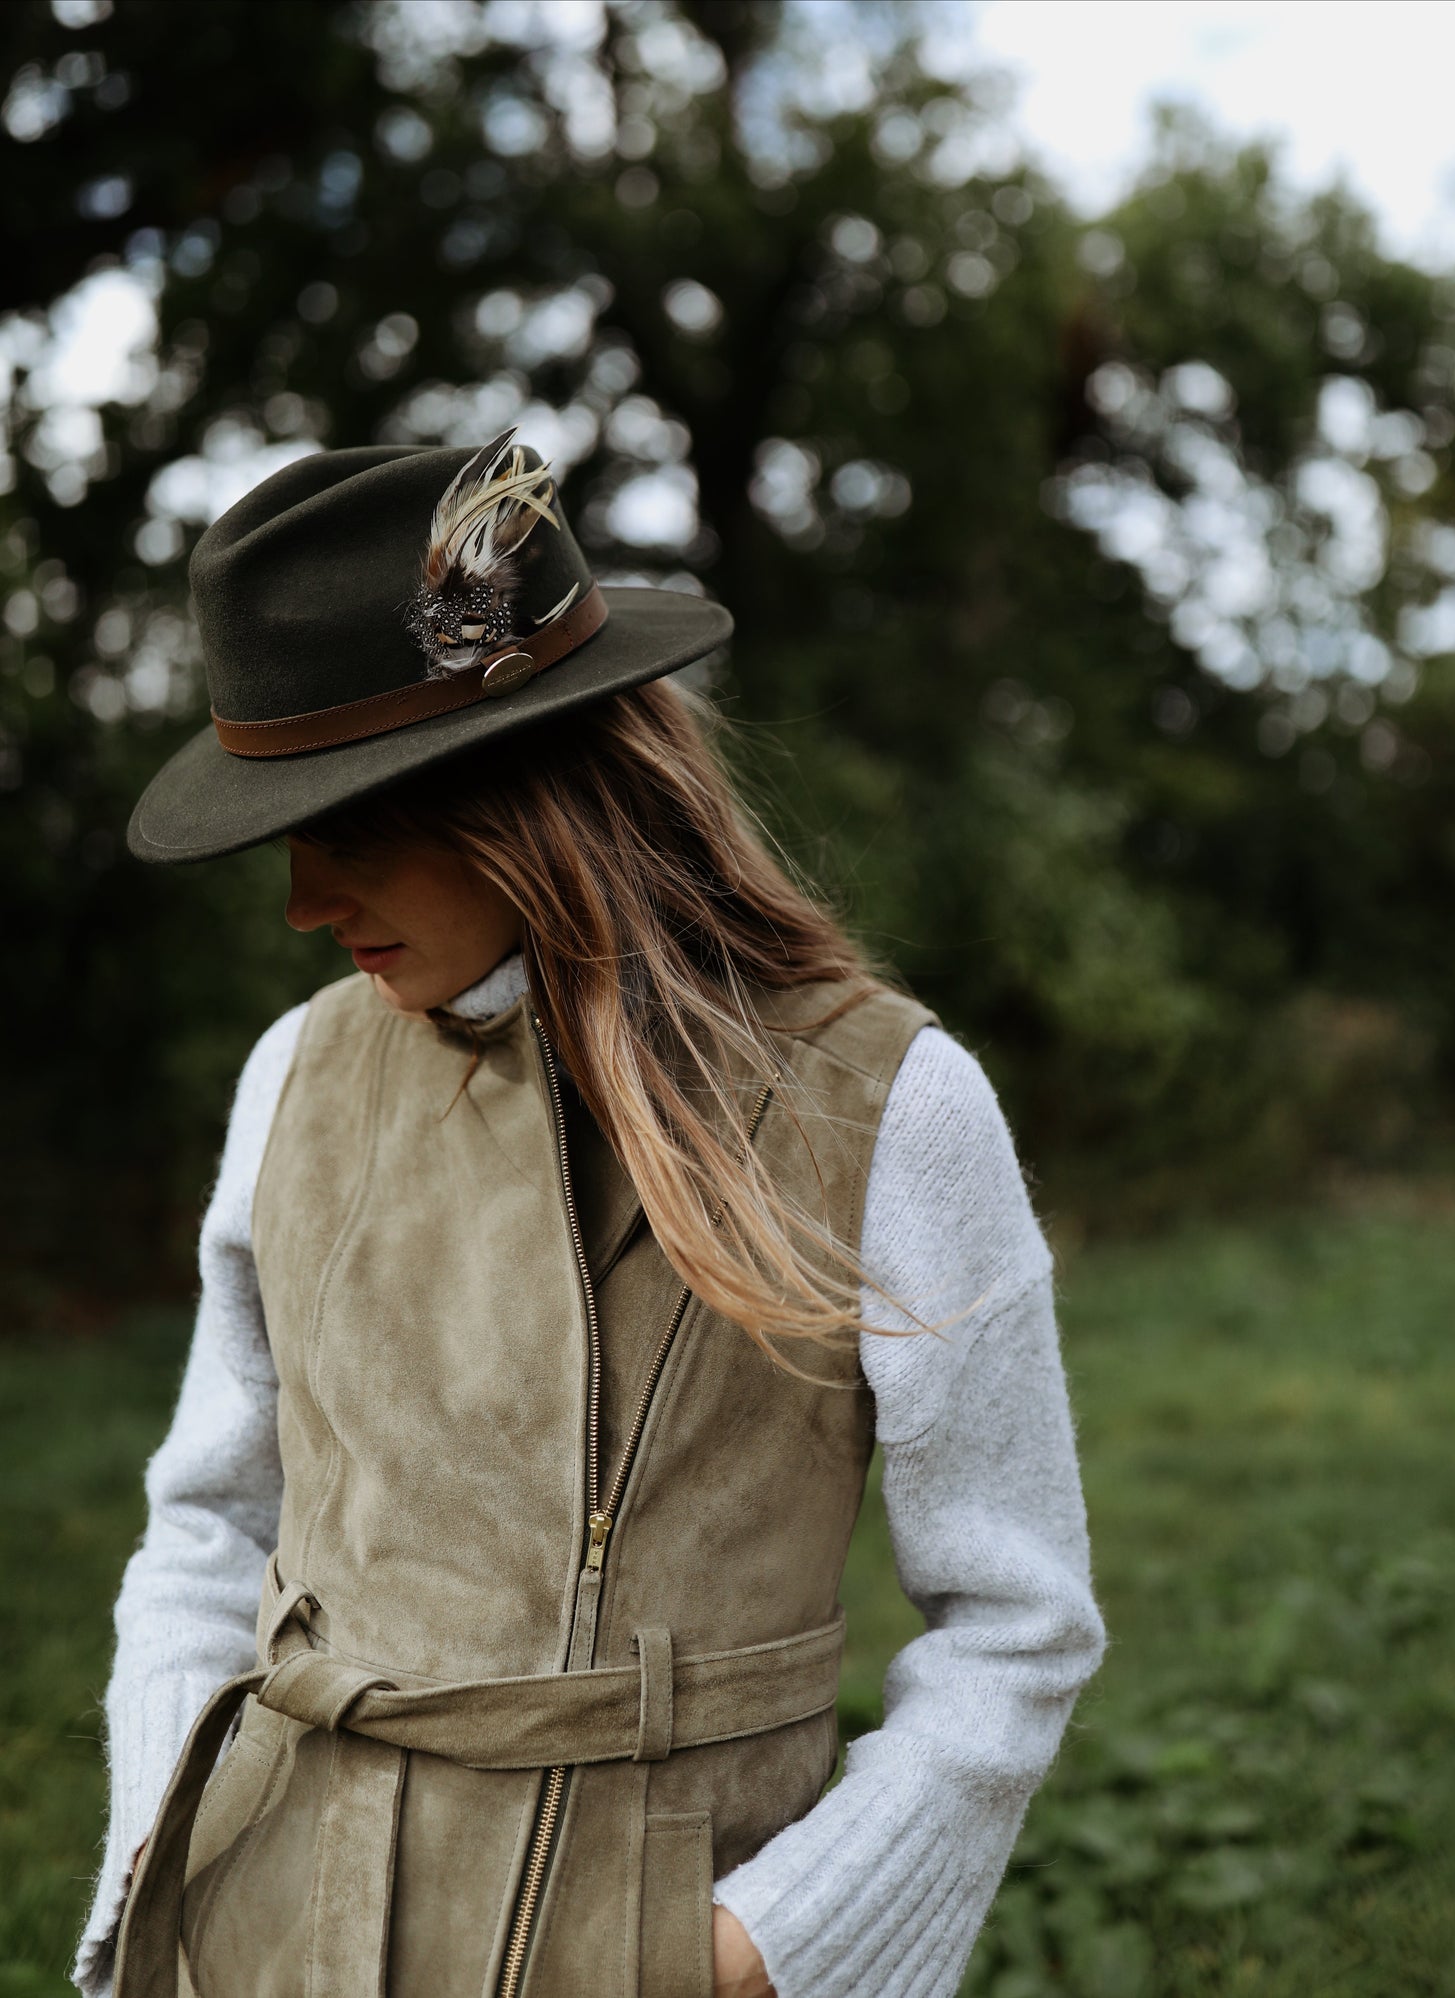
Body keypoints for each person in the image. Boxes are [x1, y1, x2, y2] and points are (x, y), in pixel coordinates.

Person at [73, 431, 1107, 1998]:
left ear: (525, 790)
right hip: (275, 1916)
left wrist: (762, 1946)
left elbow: (1016, 1623)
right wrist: (168, 1838)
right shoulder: (295, 1076)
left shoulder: (887, 1103)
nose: (301, 901)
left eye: (348, 823)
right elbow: (211, 1514)